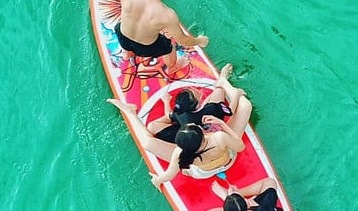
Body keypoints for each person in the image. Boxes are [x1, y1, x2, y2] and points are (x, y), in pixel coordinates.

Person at [107, 62, 254, 185]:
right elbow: (240, 146)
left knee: (147, 143)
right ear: (203, 133)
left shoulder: (180, 153)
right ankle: (223, 81)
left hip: (201, 172)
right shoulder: (219, 137)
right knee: (245, 105)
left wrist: (157, 181)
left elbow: (168, 176)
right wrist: (222, 124)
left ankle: (129, 112)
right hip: (227, 160)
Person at [146, 64, 240, 143]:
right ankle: (223, 77)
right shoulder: (211, 108)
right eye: (195, 93)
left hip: (185, 129)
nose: (195, 90)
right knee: (219, 89)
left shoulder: (180, 112)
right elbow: (230, 110)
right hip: (206, 131)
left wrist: (166, 101)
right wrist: (236, 94)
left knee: (151, 126)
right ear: (198, 104)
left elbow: (168, 115)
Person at [209, 177, 284, 211]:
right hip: (266, 208)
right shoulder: (261, 207)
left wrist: (225, 196)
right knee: (270, 182)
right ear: (247, 204)